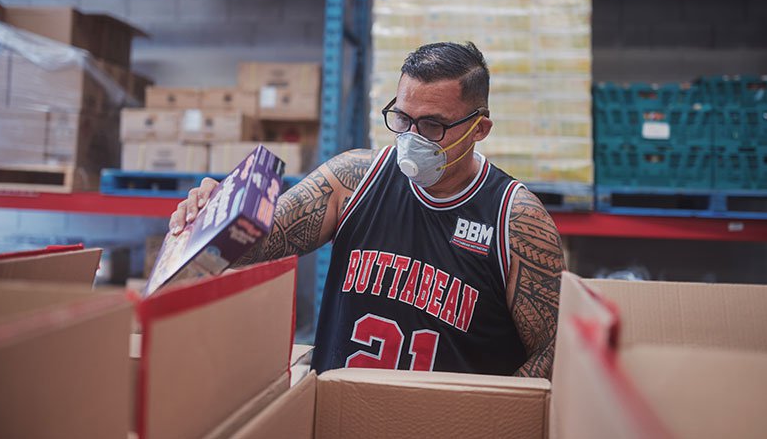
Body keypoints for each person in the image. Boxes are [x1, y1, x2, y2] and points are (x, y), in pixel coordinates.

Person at [169, 42, 566, 378]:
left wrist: (493, 414)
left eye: (432, 126)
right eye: (403, 119)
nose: (411, 138)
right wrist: (216, 214)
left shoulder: (515, 220)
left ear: (479, 129)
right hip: (343, 418)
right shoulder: (353, 180)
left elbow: (555, 349)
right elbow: (256, 243)